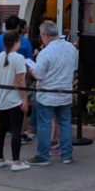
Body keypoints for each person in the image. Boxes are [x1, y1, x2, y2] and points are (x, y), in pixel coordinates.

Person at [27, 20, 79, 167]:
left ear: (45, 35)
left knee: (44, 125)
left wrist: (31, 70)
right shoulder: (71, 48)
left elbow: (39, 74)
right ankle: (67, 155)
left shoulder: (45, 52)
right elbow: (74, 68)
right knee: (65, 124)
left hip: (47, 94)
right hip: (65, 92)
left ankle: (43, 156)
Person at [0, 16, 34, 145]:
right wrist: (28, 79)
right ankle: (21, 134)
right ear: (18, 27)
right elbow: (29, 63)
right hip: (18, 78)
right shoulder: (24, 42)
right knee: (21, 106)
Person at [0, 31, 30, 171]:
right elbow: (20, 80)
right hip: (14, 99)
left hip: (1, 99)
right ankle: (16, 161)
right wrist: (24, 98)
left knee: (1, 129)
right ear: (16, 41)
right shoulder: (19, 58)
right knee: (16, 130)